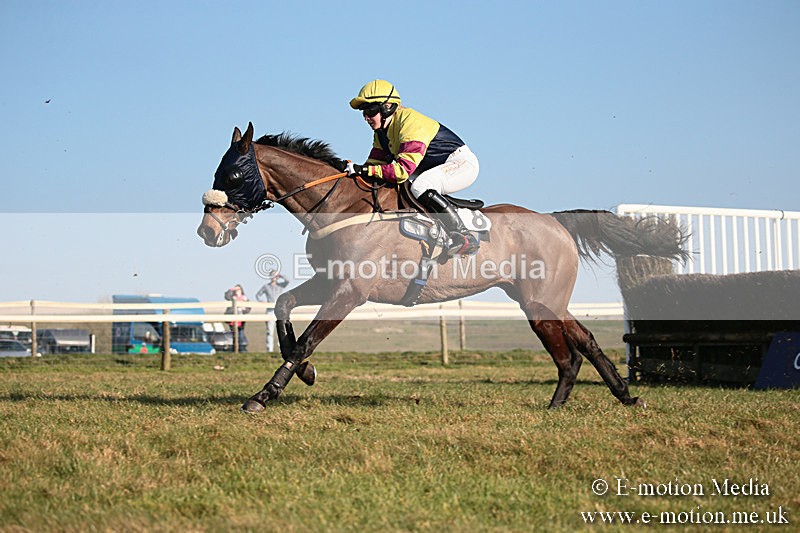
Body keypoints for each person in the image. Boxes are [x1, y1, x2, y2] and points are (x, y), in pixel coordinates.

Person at [346, 79, 480, 255]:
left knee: (420, 186)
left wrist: (363, 170)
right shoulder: (381, 133)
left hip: (460, 164)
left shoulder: (409, 122)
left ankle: (464, 236)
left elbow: (401, 171)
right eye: (364, 112)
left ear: (387, 107)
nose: (366, 117)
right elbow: (373, 166)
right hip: (430, 169)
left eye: (370, 111)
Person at [255, 270, 289, 353]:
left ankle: (281, 349)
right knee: (270, 331)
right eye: (272, 275)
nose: (273, 277)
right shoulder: (266, 286)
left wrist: (281, 275)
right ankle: (269, 350)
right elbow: (258, 295)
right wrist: (263, 302)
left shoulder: (280, 285)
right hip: (270, 310)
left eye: (275, 275)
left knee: (281, 330)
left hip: (280, 310)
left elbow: (287, 281)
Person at [224, 284, 251, 352]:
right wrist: (231, 289)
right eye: (236, 290)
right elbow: (226, 296)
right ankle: (235, 349)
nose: (237, 291)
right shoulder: (232, 297)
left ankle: (241, 348)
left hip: (241, 319)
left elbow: (248, 308)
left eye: (238, 289)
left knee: (241, 333)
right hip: (232, 319)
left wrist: (244, 309)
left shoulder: (245, 298)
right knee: (234, 334)